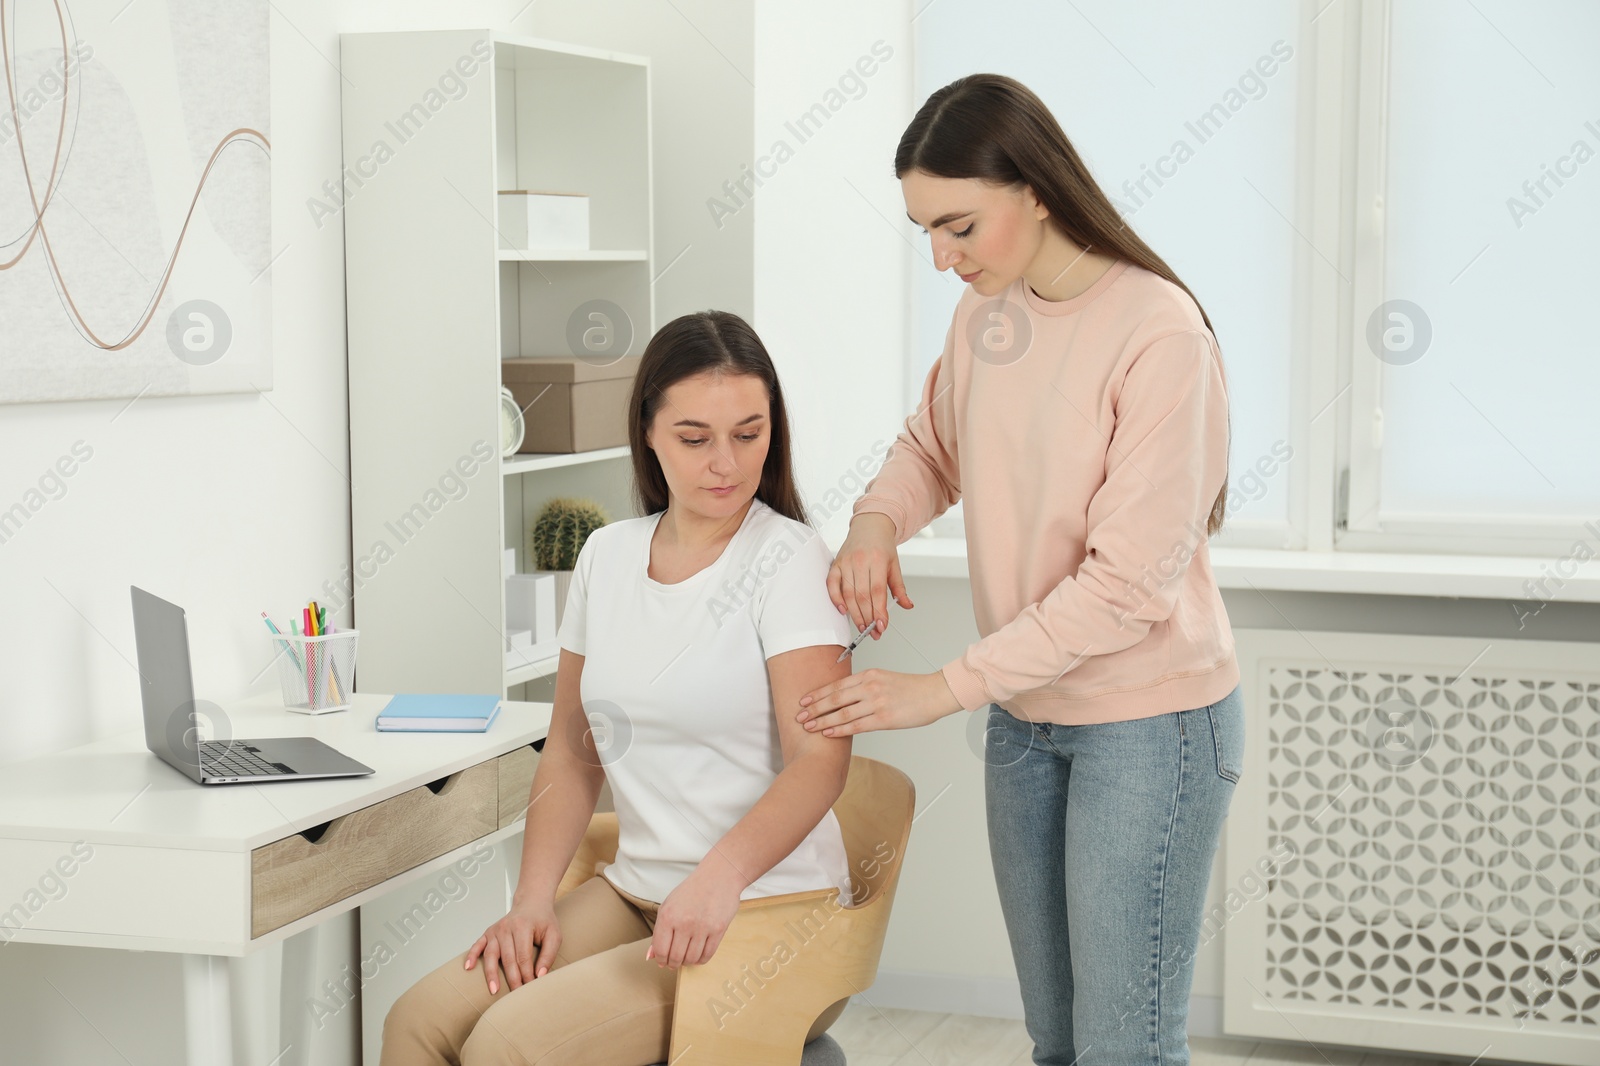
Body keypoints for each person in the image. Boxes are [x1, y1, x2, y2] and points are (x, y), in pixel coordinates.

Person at [794, 74, 1246, 1066]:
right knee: (1055, 1042)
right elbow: (932, 446)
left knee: (1122, 1047)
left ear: (1035, 190)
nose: (941, 258)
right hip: (1029, 722)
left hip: (1150, 728)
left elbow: (1128, 584)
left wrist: (941, 689)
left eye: (957, 227)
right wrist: (875, 521)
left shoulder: (1158, 333)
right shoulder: (988, 317)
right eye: (925, 232)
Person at [380, 311, 858, 1066]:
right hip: (636, 895)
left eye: (749, 433)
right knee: (417, 1021)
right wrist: (531, 900)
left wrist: (719, 877)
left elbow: (820, 762)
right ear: (648, 434)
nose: (726, 464)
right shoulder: (607, 555)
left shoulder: (792, 562)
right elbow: (573, 755)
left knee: (507, 1045)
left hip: (767, 911)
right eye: (695, 438)